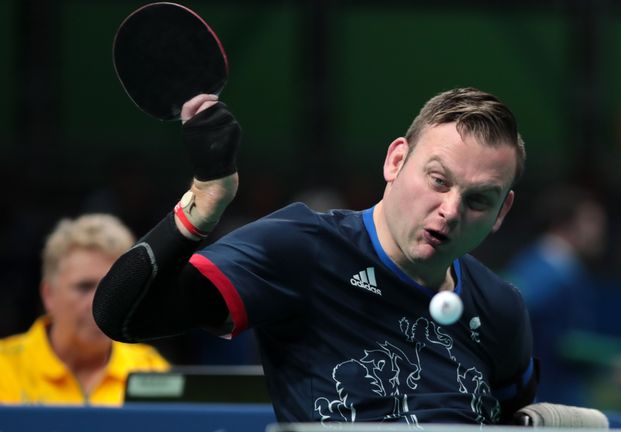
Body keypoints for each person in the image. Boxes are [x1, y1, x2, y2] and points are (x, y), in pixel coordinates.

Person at [93, 88, 538, 424]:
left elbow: (513, 422)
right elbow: (124, 315)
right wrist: (204, 202)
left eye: (479, 200)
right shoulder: (304, 249)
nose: (451, 210)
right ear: (396, 161)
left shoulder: (500, 307)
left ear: (502, 212)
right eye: (439, 180)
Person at [500, 187, 621, 423]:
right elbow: (506, 312)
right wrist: (613, 357)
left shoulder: (563, 270)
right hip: (541, 407)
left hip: (558, 399)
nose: (601, 230)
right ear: (564, 223)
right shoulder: (546, 272)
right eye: (592, 221)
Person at [0, 214, 169, 406]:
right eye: (84, 287)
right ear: (49, 295)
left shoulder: (151, 371)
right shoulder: (4, 368)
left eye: (112, 288)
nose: (99, 302)